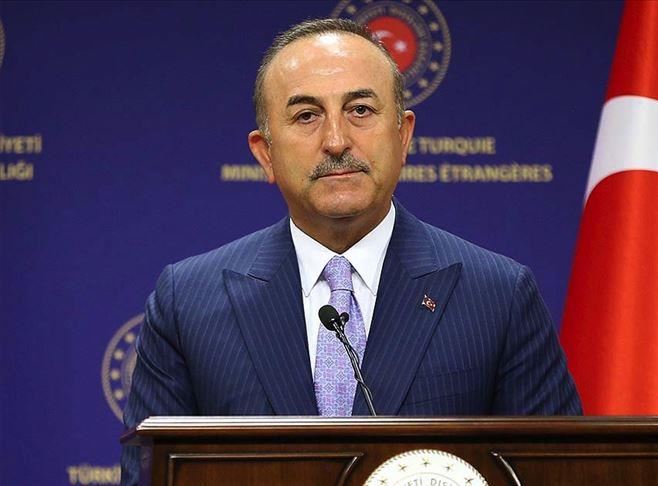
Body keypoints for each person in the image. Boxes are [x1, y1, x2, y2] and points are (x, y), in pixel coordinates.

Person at [121, 18, 580, 484]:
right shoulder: (187, 303)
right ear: (265, 154)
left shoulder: (498, 296)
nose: (337, 141)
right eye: (307, 116)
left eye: (360, 110)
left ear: (403, 135)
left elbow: (559, 475)